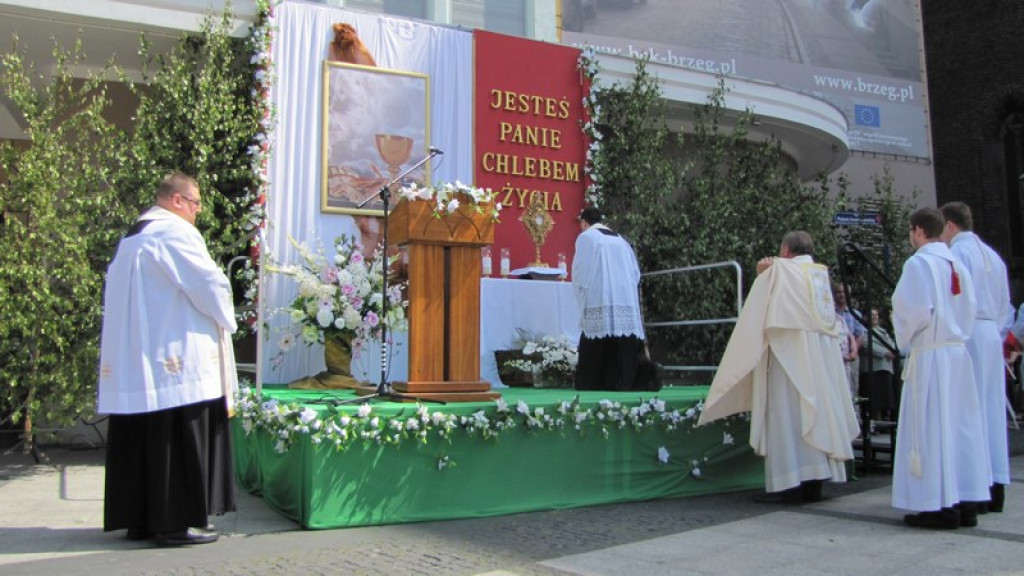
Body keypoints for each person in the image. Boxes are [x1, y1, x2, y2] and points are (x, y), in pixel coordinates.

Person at [97, 173, 238, 546]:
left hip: (139, 361)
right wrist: (228, 314)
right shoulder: (175, 232)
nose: (197, 212)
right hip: (175, 358)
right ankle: (174, 522)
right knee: (175, 436)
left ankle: (140, 519)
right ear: (177, 200)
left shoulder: (133, 237)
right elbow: (208, 284)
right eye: (195, 204)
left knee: (142, 435)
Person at [698, 231, 859, 503]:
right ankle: (815, 484)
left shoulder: (780, 270)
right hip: (820, 363)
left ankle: (791, 484)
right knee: (815, 415)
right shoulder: (820, 274)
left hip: (788, 361)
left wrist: (762, 272)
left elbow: (755, 316)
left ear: (785, 250)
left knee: (787, 418)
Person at [892, 207, 990, 529]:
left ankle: (938, 506)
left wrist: (903, 336)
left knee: (932, 429)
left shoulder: (919, 262)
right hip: (958, 356)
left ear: (918, 231)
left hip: (932, 356)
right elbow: (970, 307)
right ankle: (966, 500)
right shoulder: (956, 263)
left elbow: (913, 311)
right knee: (960, 429)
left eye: (910, 230)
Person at [940, 201, 1013, 513]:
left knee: (968, 412)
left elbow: (954, 298)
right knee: (991, 409)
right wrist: (994, 331)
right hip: (989, 334)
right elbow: (1005, 305)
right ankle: (995, 485)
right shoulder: (993, 257)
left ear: (951, 226)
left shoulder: (957, 254)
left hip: (967, 334)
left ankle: (972, 487)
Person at [571, 206, 657, 391]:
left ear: (584, 222)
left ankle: (595, 380)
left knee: (598, 334)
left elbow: (581, 271)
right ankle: (624, 379)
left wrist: (580, 295)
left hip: (600, 294)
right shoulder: (620, 240)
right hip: (624, 296)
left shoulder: (587, 237)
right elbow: (635, 273)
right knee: (621, 338)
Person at [861, 308, 896, 424]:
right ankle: (875, 421)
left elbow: (891, 344)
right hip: (873, 368)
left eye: (876, 315)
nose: (874, 317)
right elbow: (866, 344)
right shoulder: (863, 331)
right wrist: (885, 353)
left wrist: (893, 351)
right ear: (865, 317)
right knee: (875, 398)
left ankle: (886, 421)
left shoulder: (883, 331)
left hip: (886, 368)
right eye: (871, 315)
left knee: (887, 398)